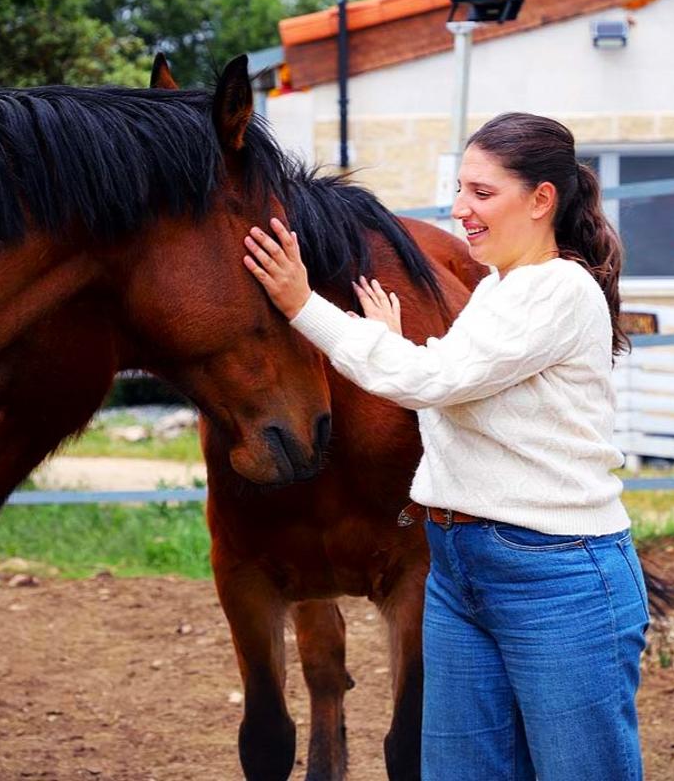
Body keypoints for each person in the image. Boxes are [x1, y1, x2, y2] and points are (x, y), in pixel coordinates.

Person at [242, 112, 649, 780]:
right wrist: (396, 348)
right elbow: (453, 400)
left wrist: (301, 305)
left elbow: (432, 382)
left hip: (555, 572)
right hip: (460, 562)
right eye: (461, 190)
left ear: (541, 199)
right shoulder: (498, 289)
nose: (461, 209)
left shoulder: (559, 289)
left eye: (482, 194)